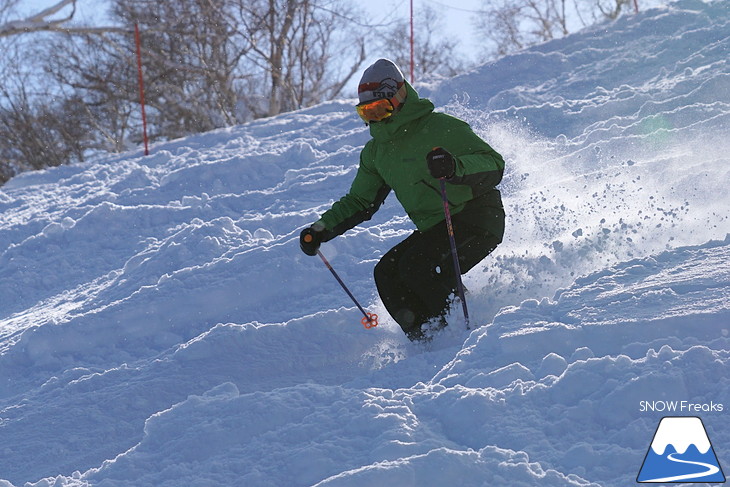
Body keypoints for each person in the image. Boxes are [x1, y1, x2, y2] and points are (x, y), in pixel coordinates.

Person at [299, 59, 505, 341]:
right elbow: (361, 201)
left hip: (477, 216)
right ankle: (426, 337)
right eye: (367, 113)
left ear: (399, 97)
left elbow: (493, 164)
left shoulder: (440, 126)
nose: (375, 119)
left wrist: (454, 166)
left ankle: (462, 329)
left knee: (417, 266)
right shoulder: (376, 153)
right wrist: (321, 229)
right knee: (387, 273)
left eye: (380, 109)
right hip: (436, 228)